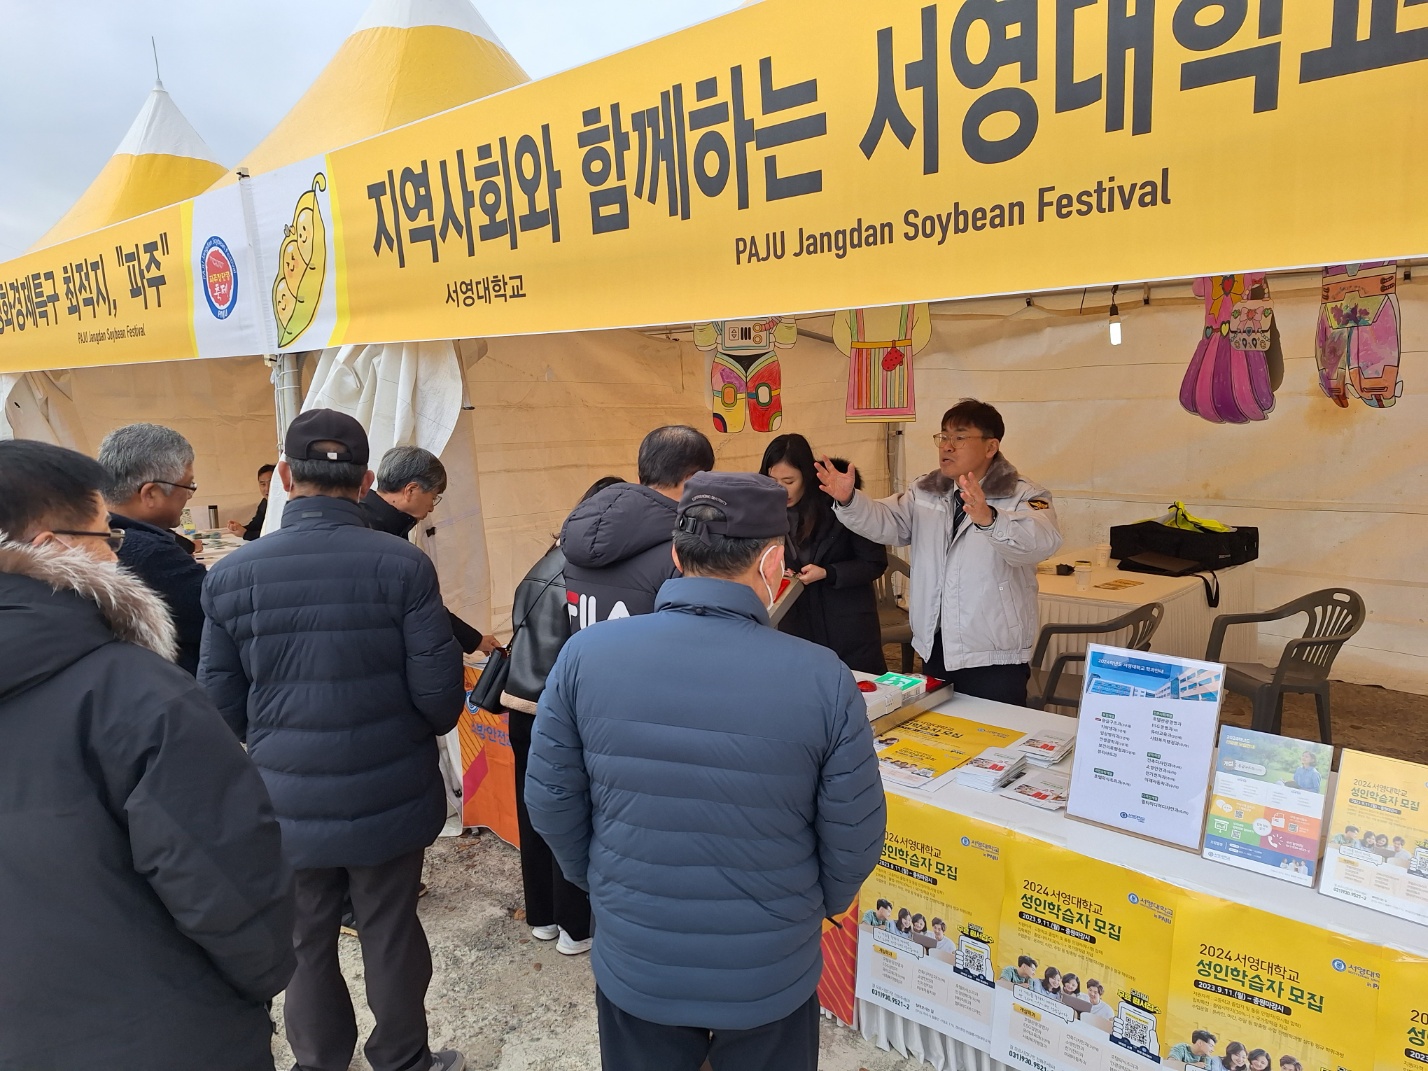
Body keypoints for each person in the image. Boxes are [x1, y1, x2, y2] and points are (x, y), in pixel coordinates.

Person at [526, 471, 886, 1071]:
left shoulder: (587, 654)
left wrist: (602, 881)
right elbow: (856, 831)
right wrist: (813, 904)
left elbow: (550, 798)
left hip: (639, 952)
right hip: (769, 964)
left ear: (676, 554)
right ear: (773, 563)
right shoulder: (823, 675)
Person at [0, 440, 295, 1070]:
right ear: (52, 548)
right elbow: (227, 882)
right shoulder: (138, 694)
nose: (117, 554)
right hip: (163, 1029)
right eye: (106, 537)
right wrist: (263, 977)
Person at [199, 409, 467, 1071]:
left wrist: (279, 741)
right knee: (390, 927)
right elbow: (440, 702)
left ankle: (318, 1061)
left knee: (305, 937)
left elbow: (219, 707)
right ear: (367, 479)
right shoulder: (403, 565)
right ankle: (403, 1059)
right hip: (391, 787)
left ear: (284, 476)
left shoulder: (232, 575)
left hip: (285, 796)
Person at [817, 398, 1062, 705]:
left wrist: (990, 519)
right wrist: (850, 500)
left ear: (991, 446)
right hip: (935, 644)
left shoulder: (1022, 494)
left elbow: (1041, 543)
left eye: (959, 437)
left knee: (993, 730)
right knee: (942, 728)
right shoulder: (926, 491)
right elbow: (887, 521)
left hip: (993, 652)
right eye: (943, 436)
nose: (947, 446)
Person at [501, 475, 624, 958]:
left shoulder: (543, 562)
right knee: (569, 816)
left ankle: (543, 918)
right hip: (561, 713)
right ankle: (576, 927)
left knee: (533, 811)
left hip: (520, 705)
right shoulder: (588, 575)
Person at [561, 424, 714, 631]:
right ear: (694, 480)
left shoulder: (576, 543)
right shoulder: (684, 552)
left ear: (640, 476)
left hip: (586, 653)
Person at [760, 434, 887, 673]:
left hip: (847, 626)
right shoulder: (763, 511)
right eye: (773, 481)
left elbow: (874, 562)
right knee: (806, 687)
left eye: (789, 481)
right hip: (797, 626)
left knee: (858, 687)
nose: (780, 490)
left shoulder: (840, 506)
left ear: (807, 476)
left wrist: (829, 573)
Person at [361, 445, 501, 657]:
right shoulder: (378, 535)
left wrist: (475, 640)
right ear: (411, 490)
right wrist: (474, 640)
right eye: (433, 496)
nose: (432, 507)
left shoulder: (369, 519)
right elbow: (421, 605)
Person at [98, 422, 208, 674]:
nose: (189, 495)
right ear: (150, 493)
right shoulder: (150, 554)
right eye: (188, 486)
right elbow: (216, 615)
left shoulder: (90, 536)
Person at [229, 463, 275, 540]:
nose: (267, 489)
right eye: (263, 484)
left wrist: (245, 534)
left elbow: (274, 535)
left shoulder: (286, 504)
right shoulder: (265, 502)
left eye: (271, 483)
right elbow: (256, 525)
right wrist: (239, 528)